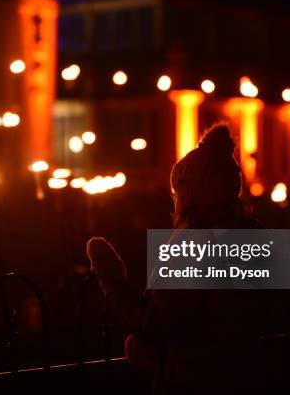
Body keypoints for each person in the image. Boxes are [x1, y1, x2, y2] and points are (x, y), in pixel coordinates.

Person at [86, 123, 268, 393]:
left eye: (176, 195)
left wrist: (114, 285)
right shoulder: (251, 236)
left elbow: (157, 322)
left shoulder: (193, 245)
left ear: (187, 196)